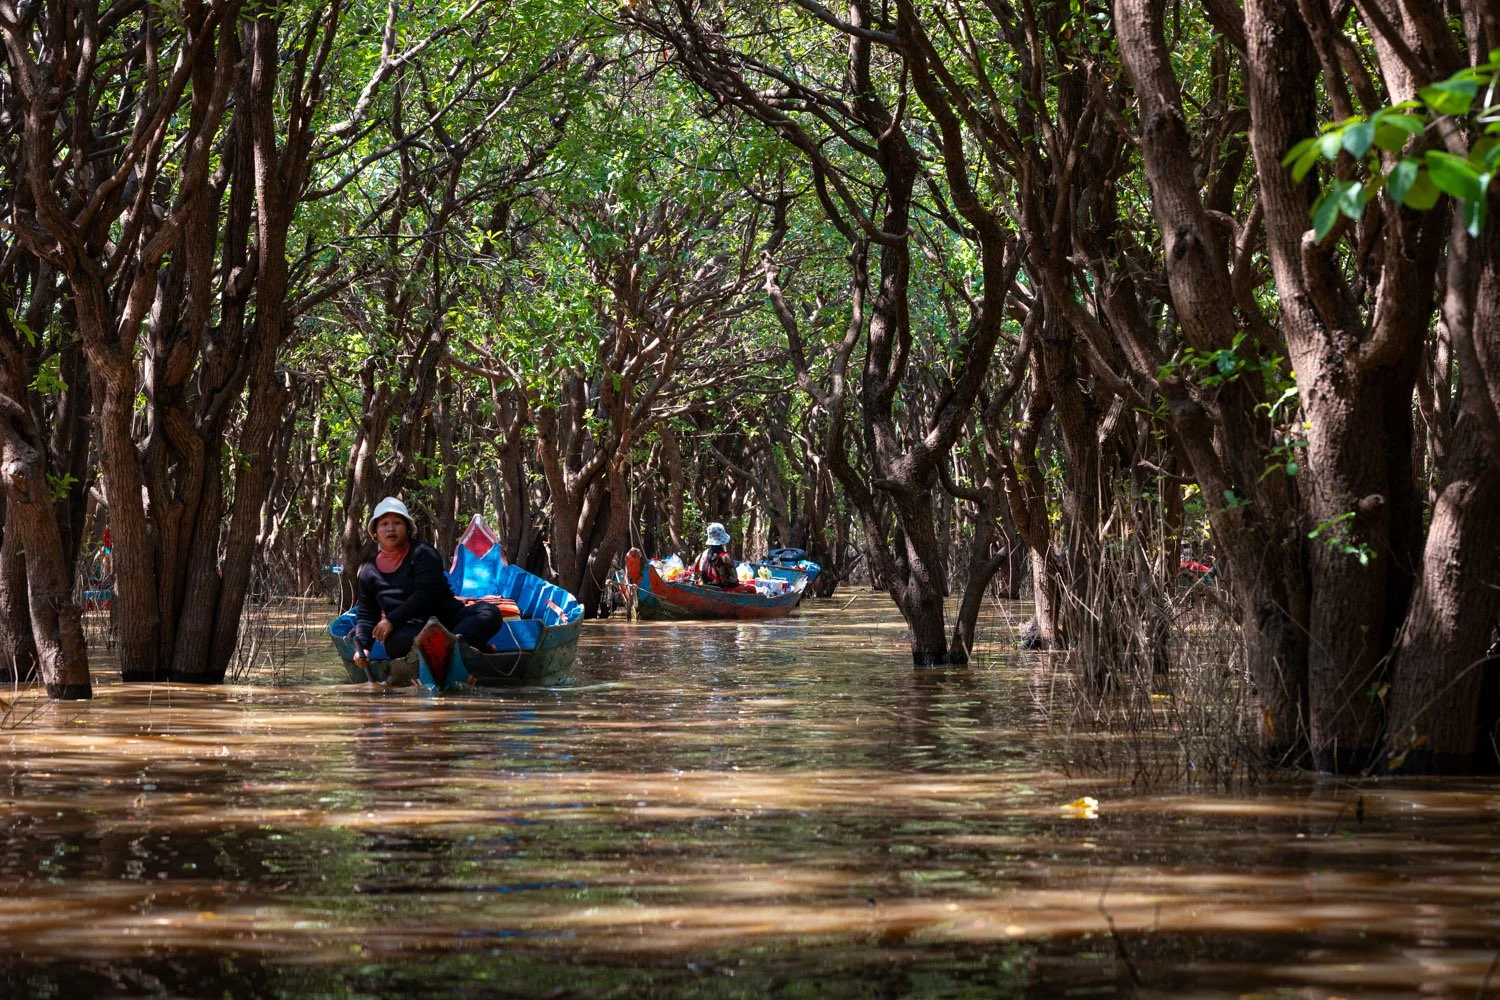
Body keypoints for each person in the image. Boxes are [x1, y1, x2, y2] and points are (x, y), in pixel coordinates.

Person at [352, 497, 502, 668]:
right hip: (412, 630)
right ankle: (466, 648)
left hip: (448, 621)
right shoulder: (368, 572)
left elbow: (426, 594)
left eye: (397, 522)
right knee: (395, 642)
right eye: (384, 524)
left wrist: (391, 620)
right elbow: (367, 615)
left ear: (408, 528)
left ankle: (454, 647)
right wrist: (363, 648)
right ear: (375, 533)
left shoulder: (423, 553)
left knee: (490, 613)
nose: (391, 528)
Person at [692, 522, 739, 589]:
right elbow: (734, 579)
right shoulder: (724, 557)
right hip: (721, 589)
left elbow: (695, 575)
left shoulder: (700, 555)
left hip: (703, 587)